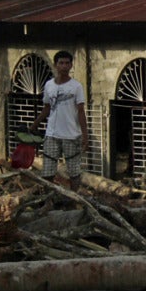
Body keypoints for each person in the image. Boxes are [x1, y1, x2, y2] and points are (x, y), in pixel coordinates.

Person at [30, 50, 89, 191]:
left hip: (71, 136)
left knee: (74, 172)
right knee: (48, 172)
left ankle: (75, 199)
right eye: (61, 63)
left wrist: (85, 136)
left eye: (67, 63)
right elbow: (46, 108)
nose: (64, 66)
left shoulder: (76, 87)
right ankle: (48, 199)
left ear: (71, 66)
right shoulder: (49, 85)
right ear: (56, 65)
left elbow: (81, 111)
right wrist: (34, 125)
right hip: (52, 135)